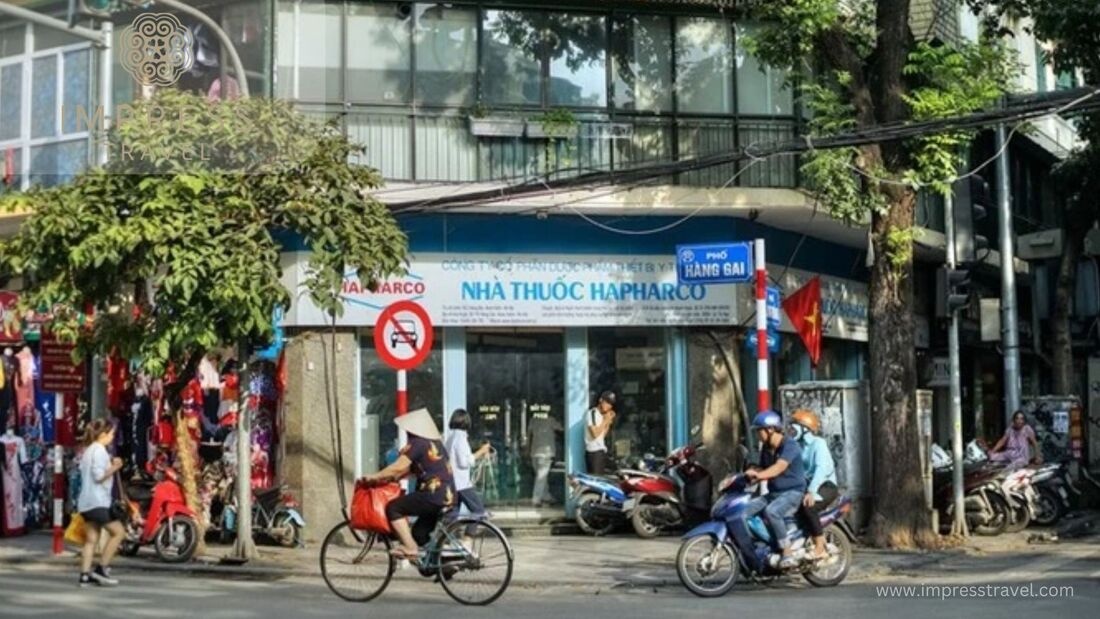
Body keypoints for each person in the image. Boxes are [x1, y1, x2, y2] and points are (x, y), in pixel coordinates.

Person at [360, 408, 456, 560]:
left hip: (432, 494)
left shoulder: (418, 443)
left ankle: (410, 548)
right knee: (419, 534)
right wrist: (393, 477)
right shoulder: (436, 443)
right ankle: (443, 566)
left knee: (393, 508)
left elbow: (397, 467)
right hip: (448, 495)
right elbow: (410, 470)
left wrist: (374, 476)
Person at [742, 410, 806, 569]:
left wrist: (759, 476)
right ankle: (761, 546)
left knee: (772, 512)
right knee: (743, 511)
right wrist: (749, 473)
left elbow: (778, 468)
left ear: (770, 429)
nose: (758, 434)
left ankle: (786, 552)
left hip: (792, 493)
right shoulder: (766, 448)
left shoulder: (789, 445)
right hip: (774, 494)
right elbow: (762, 468)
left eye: (759, 430)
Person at [77, 419, 126, 587]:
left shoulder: (88, 451)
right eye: (111, 434)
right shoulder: (99, 450)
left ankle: (84, 575)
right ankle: (102, 568)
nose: (112, 437)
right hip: (98, 502)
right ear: (103, 435)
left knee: (91, 539)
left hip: (86, 502)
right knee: (118, 532)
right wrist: (115, 467)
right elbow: (99, 476)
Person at [788, 409, 838, 561]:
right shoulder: (797, 446)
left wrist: (811, 491)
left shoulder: (818, 444)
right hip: (808, 486)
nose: (790, 430)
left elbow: (821, 469)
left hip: (825, 486)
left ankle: (820, 547)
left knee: (808, 507)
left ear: (805, 429)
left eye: (794, 427)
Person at [444, 409, 491, 519]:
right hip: (462, 484)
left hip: (452, 483)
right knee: (479, 511)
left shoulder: (450, 438)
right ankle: (468, 536)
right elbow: (464, 462)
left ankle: (446, 535)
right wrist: (481, 451)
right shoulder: (460, 438)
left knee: (452, 517)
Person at [585, 391, 616, 475]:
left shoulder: (601, 416)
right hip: (594, 451)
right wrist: (605, 420)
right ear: (601, 400)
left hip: (601, 450)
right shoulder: (592, 413)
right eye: (607, 402)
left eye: (610, 404)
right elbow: (594, 434)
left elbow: (602, 436)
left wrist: (608, 422)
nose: (608, 406)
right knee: (596, 479)